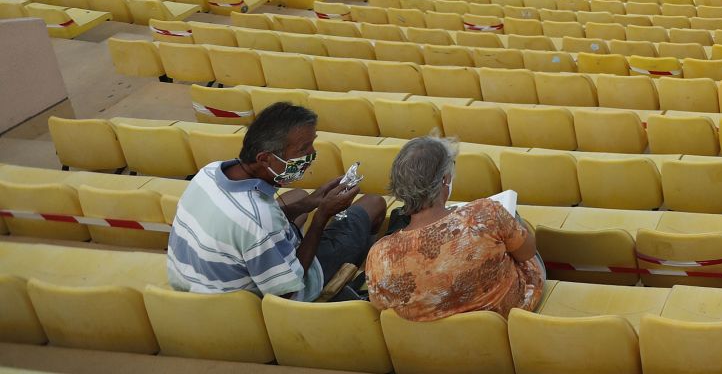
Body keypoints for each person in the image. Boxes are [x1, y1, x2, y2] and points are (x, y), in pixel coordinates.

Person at [167, 102, 386, 300]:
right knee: (373, 203)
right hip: (263, 297)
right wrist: (321, 217)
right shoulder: (257, 218)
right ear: (264, 158)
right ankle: (353, 270)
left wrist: (311, 203)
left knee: (299, 197)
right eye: (302, 150)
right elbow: (287, 290)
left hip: (197, 281)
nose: (311, 155)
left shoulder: (210, 171)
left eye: (312, 144)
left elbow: (259, 222)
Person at [364, 137, 544, 322]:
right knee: (513, 221)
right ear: (444, 179)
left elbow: (380, 304)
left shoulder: (379, 255)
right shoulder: (484, 214)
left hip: (440, 342)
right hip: (506, 314)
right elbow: (527, 252)